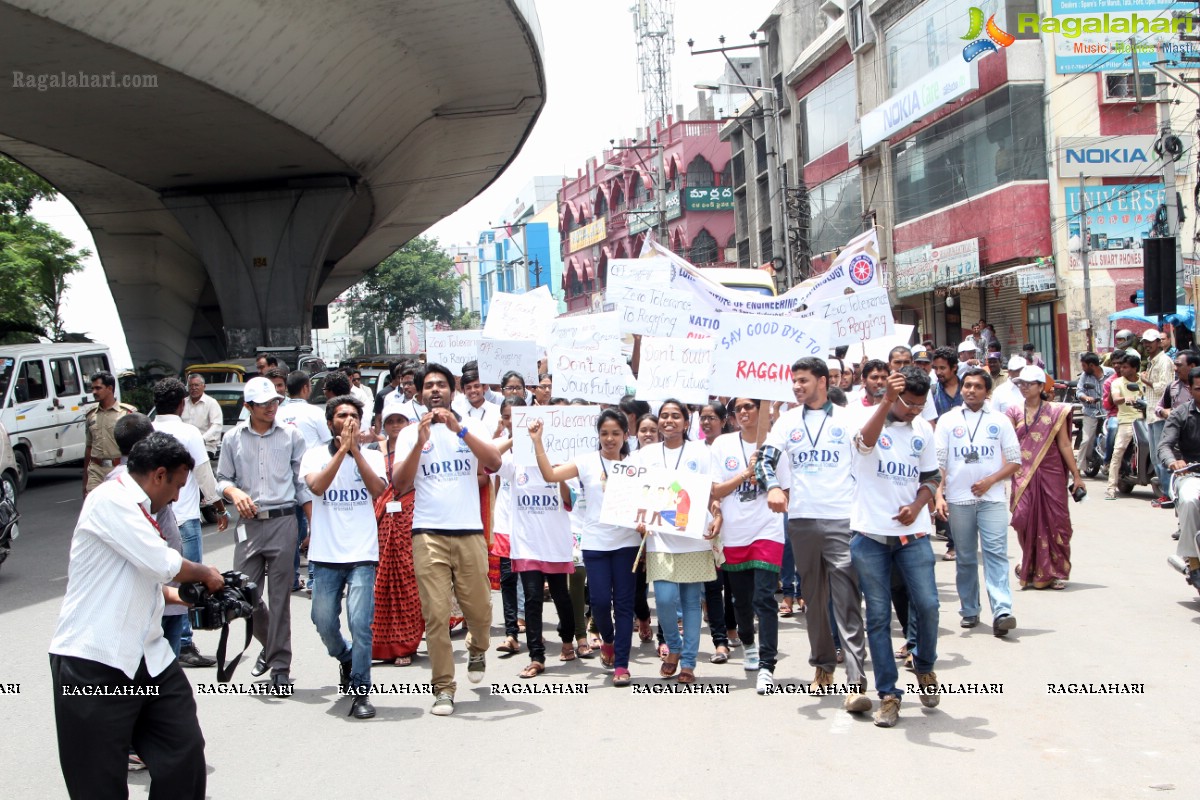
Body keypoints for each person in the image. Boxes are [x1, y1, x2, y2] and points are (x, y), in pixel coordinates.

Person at [50, 432, 224, 799]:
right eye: (177, 485)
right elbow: (160, 563)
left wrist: (192, 599)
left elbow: (145, 578)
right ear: (159, 475)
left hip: (150, 658)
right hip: (95, 660)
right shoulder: (110, 499)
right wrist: (206, 574)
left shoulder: (145, 510)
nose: (178, 496)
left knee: (184, 753)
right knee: (98, 783)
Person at [392, 363, 501, 716]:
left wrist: (462, 430)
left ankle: (478, 646)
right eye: (428, 385)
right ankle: (443, 688)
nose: (435, 390)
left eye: (441, 384)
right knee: (436, 614)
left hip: (469, 531)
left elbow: (495, 462)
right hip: (427, 533)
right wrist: (419, 444)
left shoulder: (471, 425)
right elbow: (400, 484)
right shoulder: (410, 433)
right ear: (419, 393)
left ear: (452, 391)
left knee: (480, 611)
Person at [760, 359, 869, 711]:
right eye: (793, 381)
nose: (796, 386)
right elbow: (765, 459)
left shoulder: (849, 417)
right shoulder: (788, 421)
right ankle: (822, 665)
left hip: (842, 518)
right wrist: (773, 486)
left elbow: (870, 452)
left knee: (846, 599)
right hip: (802, 520)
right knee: (813, 598)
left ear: (823, 381)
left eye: (803, 380)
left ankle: (856, 681)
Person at [849, 367, 942, 728]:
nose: (915, 411)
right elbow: (865, 444)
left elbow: (931, 477)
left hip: (913, 535)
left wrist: (918, 506)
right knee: (877, 616)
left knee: (929, 605)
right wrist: (886, 399)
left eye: (921, 405)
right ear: (896, 396)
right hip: (869, 535)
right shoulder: (866, 417)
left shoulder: (923, 430)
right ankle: (888, 694)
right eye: (910, 405)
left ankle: (925, 665)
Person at [531, 409, 641, 685]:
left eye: (616, 433)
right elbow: (550, 475)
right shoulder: (587, 462)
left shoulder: (637, 465)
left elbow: (649, 501)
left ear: (626, 435)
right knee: (601, 603)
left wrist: (644, 522)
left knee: (624, 605)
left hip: (627, 543)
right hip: (595, 544)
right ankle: (609, 641)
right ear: (598, 435)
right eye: (604, 433)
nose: (610, 439)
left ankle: (622, 666)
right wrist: (537, 442)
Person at [216, 377, 312, 690]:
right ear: (248, 407)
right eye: (264, 404)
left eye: (274, 402)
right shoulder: (232, 438)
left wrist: (312, 524)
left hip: (284, 522)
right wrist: (233, 492)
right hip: (248, 525)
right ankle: (272, 648)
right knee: (243, 595)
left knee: (280, 597)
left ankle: (280, 668)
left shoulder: (291, 435)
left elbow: (301, 484)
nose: (271, 408)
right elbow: (221, 479)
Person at [302, 394, 388, 719]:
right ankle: (346, 656)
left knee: (360, 623)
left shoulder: (372, 457)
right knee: (322, 621)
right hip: (325, 555)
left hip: (362, 553)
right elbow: (317, 487)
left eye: (354, 415)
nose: (348, 420)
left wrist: (355, 452)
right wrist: (342, 451)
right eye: (342, 415)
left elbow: (378, 489)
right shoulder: (313, 455)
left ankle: (361, 691)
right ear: (330, 423)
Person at [631, 399, 718, 684]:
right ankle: (675, 647)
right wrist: (639, 517)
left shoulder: (700, 451)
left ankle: (689, 662)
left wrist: (718, 516)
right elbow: (633, 489)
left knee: (692, 603)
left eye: (675, 416)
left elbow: (711, 492)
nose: (669, 421)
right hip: (660, 539)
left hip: (693, 538)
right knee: (666, 600)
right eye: (664, 416)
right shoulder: (646, 454)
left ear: (686, 421)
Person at [934, 369, 1021, 636]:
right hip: (959, 500)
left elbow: (1015, 461)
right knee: (967, 557)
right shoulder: (947, 421)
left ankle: (1002, 610)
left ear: (987, 392)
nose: (971, 390)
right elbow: (938, 463)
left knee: (995, 554)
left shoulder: (1000, 421)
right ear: (961, 390)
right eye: (967, 386)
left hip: (992, 499)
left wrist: (991, 480)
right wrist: (939, 494)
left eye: (978, 387)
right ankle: (969, 610)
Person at [151, 378, 230, 669]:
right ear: (182, 403)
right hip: (184, 518)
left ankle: (163, 639)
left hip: (154, 519)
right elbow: (203, 473)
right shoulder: (188, 432)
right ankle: (183, 642)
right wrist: (218, 506)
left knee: (159, 580)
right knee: (188, 582)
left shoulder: (147, 431)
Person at [710, 397, 786, 694]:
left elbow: (785, 489)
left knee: (764, 598)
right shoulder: (722, 445)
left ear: (761, 410)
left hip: (768, 528)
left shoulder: (776, 444)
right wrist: (745, 474)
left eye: (748, 407)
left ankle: (767, 665)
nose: (742, 412)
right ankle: (749, 644)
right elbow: (715, 489)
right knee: (740, 600)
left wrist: (766, 478)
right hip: (735, 532)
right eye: (737, 408)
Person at [1008, 365, 1083, 589]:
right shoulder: (1013, 411)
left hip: (1052, 474)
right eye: (1021, 383)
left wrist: (1077, 476)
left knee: (1057, 522)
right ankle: (1030, 563)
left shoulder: (1056, 411)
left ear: (1041, 386)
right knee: (1021, 518)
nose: (1023, 387)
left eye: (1029, 384)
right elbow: (1008, 443)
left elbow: (1065, 444)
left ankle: (1055, 571)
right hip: (1022, 474)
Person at [368, 396, 423, 665]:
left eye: (401, 420)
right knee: (381, 583)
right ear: (383, 424)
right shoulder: (375, 451)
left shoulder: (417, 446)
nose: (396, 426)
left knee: (408, 581)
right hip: (382, 521)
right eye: (390, 421)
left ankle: (407, 644)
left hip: (411, 516)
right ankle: (382, 644)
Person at [279, 370, 333, 592]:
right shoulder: (314, 412)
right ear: (306, 388)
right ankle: (312, 578)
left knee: (291, 530)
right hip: (311, 478)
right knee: (315, 526)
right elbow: (329, 442)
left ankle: (291, 578)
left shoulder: (277, 413)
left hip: (285, 479)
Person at [1158, 366, 1200, 586]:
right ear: (1190, 389)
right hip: (1191, 474)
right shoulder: (1181, 414)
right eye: (1199, 389)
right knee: (1192, 501)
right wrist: (1173, 461)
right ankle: (1193, 561)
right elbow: (1164, 445)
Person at [82, 371, 138, 495]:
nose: (94, 392)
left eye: (98, 388)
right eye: (93, 388)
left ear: (110, 388)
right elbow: (89, 448)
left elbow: (137, 448)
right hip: (95, 472)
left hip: (118, 470)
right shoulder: (91, 415)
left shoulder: (127, 414)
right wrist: (85, 481)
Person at [1141, 330, 1175, 505]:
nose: (1147, 345)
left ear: (1159, 343)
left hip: (1160, 415)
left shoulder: (1164, 361)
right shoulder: (1151, 362)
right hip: (1152, 415)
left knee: (1161, 457)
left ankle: (1170, 495)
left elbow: (1165, 388)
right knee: (1155, 457)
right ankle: (1165, 493)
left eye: (1151, 342)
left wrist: (1146, 381)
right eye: (1145, 342)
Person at [1105, 354, 1146, 500]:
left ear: (1135, 368)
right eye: (1120, 366)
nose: (1121, 369)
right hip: (1126, 421)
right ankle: (1110, 488)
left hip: (1145, 420)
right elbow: (1115, 399)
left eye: (1125, 367)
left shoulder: (1143, 381)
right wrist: (1125, 398)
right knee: (1118, 451)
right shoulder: (1117, 383)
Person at [1074, 353, 1113, 472]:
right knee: (1086, 440)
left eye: (1084, 365)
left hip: (1108, 411)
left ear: (1092, 365)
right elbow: (1079, 391)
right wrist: (1085, 398)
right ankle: (1079, 468)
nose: (1083, 368)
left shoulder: (1110, 373)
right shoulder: (1085, 376)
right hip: (1091, 411)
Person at [182, 374, 224, 459]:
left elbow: (217, 425)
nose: (193, 388)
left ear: (204, 386)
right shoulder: (183, 403)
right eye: (190, 385)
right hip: (184, 446)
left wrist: (202, 439)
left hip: (206, 446)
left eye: (196, 385)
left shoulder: (211, 403)